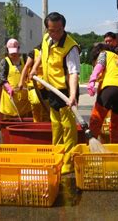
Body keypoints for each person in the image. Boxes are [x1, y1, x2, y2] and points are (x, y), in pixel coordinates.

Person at [29, 12, 80, 174]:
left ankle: (69, 161)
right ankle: (57, 156)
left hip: (66, 91)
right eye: (51, 30)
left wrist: (72, 95)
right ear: (47, 29)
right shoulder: (46, 39)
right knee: (56, 125)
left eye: (58, 30)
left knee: (68, 127)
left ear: (63, 27)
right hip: (51, 88)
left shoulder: (70, 47)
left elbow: (73, 73)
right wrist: (35, 68)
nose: (55, 34)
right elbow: (42, 54)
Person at [87, 42, 118, 143]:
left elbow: (100, 64)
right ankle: (115, 147)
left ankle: (90, 145)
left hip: (111, 87)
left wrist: (92, 80)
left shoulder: (104, 53)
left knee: (96, 119)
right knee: (116, 123)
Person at [0, 38, 31, 119]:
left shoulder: (24, 60)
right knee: (9, 119)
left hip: (23, 97)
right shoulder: (4, 62)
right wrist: (8, 87)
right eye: (11, 52)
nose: (14, 54)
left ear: (19, 49)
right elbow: (1, 77)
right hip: (10, 97)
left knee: (24, 119)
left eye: (15, 51)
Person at [18, 44, 50, 122]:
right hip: (34, 84)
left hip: (46, 85)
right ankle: (37, 124)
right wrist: (21, 81)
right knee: (36, 103)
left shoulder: (51, 52)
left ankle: (46, 127)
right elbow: (26, 66)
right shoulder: (34, 52)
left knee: (47, 109)